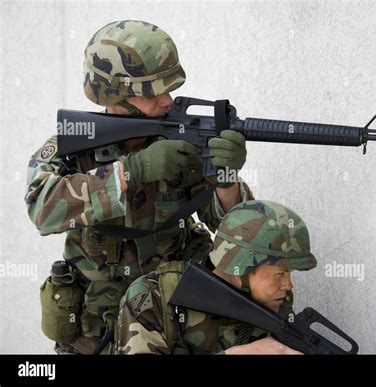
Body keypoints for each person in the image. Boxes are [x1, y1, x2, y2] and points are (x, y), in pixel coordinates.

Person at [26, 20, 252, 354]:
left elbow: (238, 233)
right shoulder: (72, 146)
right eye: (154, 91)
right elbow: (42, 208)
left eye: (169, 88)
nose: (167, 100)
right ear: (116, 94)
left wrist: (226, 178)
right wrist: (135, 169)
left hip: (173, 322)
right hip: (96, 334)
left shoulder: (179, 142)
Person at [116, 200, 317, 354]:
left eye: (290, 275)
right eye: (280, 274)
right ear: (241, 267)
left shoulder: (275, 302)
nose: (288, 286)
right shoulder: (153, 297)